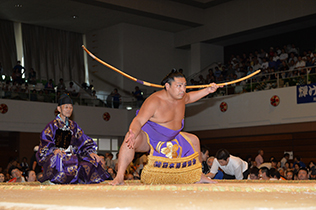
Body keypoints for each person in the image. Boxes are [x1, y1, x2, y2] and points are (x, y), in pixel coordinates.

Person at [109, 70, 220, 185]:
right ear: (167, 86)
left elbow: (190, 97)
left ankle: (199, 176)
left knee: (194, 140)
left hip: (173, 136)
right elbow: (139, 120)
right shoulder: (154, 101)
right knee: (129, 139)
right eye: (179, 86)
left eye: (184, 85)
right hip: (151, 136)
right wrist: (133, 132)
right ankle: (120, 177)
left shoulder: (181, 97)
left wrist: (208, 90)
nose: (183, 89)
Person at [36, 94, 111, 184]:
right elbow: (45, 141)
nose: (69, 110)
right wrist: (54, 150)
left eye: (71, 108)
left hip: (73, 154)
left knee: (90, 163)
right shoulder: (52, 126)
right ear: (59, 109)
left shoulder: (73, 126)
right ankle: (54, 180)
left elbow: (82, 139)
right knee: (61, 161)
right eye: (66, 107)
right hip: (58, 155)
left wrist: (90, 151)